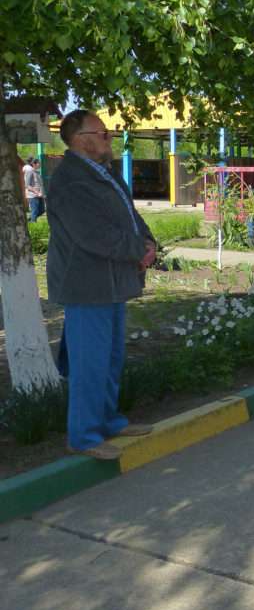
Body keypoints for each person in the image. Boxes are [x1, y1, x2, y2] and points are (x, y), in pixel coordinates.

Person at [46, 111, 157, 460]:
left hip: (112, 283)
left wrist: (148, 243)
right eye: (103, 132)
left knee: (110, 359)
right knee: (89, 364)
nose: (109, 138)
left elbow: (130, 216)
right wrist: (137, 250)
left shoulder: (104, 172)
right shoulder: (69, 180)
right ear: (81, 140)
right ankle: (83, 436)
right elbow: (92, 235)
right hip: (86, 286)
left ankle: (108, 421)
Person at [23, 156, 46, 222]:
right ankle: (33, 223)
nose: (40, 164)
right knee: (35, 211)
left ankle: (30, 219)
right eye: (39, 163)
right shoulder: (29, 171)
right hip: (33, 196)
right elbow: (27, 185)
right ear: (34, 164)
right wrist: (37, 192)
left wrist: (43, 194)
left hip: (40, 195)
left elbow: (40, 185)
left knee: (42, 210)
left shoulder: (37, 172)